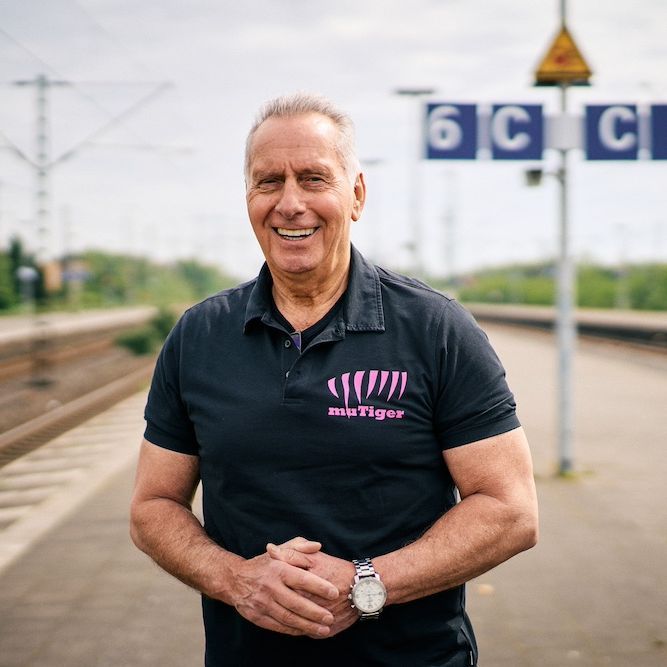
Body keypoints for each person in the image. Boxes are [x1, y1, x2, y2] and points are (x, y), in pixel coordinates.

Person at [130, 92, 538, 667]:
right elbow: (152, 505)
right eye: (268, 181)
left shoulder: (435, 329)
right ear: (248, 198)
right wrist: (236, 580)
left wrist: (367, 584)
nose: (290, 203)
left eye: (314, 178)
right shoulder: (198, 336)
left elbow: (510, 508)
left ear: (356, 196)